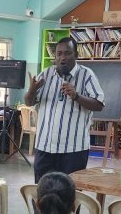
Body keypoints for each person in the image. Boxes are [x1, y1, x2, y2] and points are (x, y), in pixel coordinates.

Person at [24, 37, 105, 183]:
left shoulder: (86, 75)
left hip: (73, 149)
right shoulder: (46, 74)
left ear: (76, 55)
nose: (62, 58)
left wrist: (76, 96)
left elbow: (99, 105)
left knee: (70, 192)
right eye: (59, 54)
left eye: (67, 53)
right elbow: (29, 102)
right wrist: (31, 91)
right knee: (43, 191)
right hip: (45, 147)